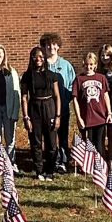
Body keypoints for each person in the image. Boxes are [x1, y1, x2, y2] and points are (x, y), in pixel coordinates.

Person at [21, 45, 61, 180]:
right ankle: (39, 171)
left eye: (40, 56)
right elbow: (24, 97)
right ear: (31, 58)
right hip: (34, 108)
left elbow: (57, 96)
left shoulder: (51, 75)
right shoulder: (27, 76)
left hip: (49, 107)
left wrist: (57, 116)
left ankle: (50, 170)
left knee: (51, 143)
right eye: (35, 56)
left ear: (44, 58)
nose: (38, 59)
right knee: (36, 142)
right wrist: (26, 117)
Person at [40, 33, 74, 171]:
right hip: (47, 109)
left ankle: (63, 161)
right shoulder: (41, 64)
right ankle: (52, 161)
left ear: (58, 46)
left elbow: (72, 85)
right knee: (50, 137)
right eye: (48, 44)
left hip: (63, 108)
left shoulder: (66, 65)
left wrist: (66, 99)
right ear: (44, 46)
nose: (51, 47)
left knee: (63, 136)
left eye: (54, 44)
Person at [0, 43, 21, 170]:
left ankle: (11, 163)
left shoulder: (10, 71)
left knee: (10, 138)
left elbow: (16, 93)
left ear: (4, 54)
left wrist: (15, 113)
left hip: (8, 109)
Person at [72, 51, 112, 150]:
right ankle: (89, 165)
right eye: (86, 64)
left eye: (91, 64)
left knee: (99, 144)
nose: (88, 67)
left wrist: (109, 113)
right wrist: (79, 118)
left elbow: (106, 95)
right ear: (83, 64)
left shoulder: (101, 78)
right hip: (86, 117)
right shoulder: (78, 79)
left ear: (95, 65)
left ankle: (97, 164)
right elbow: (75, 99)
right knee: (88, 145)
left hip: (100, 116)